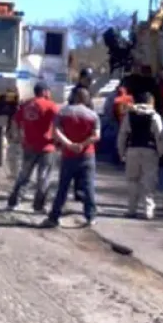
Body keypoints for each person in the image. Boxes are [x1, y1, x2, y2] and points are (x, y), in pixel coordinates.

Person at [41, 87, 100, 228]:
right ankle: (90, 217)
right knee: (88, 186)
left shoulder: (63, 112)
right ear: (86, 99)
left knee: (63, 187)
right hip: (87, 155)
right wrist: (82, 144)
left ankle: (54, 217)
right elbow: (96, 136)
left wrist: (69, 144)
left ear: (74, 97)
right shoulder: (93, 115)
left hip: (69, 155)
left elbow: (56, 132)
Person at [6, 82, 59, 213]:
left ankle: (13, 202)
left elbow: (15, 120)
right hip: (47, 147)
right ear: (45, 91)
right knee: (43, 177)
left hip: (29, 146)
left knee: (24, 175)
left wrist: (17, 136)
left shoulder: (26, 105)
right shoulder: (51, 106)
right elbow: (59, 124)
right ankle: (38, 206)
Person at [117, 91, 163, 219]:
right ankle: (148, 210)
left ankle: (131, 209)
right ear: (151, 102)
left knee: (132, 180)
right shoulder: (155, 116)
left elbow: (122, 135)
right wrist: (161, 152)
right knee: (149, 181)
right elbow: (159, 136)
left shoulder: (130, 115)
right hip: (149, 150)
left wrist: (121, 152)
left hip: (132, 149)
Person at [66, 67, 95, 201]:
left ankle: (79, 190)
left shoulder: (87, 91)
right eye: (87, 78)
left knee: (83, 164)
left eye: (90, 79)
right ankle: (76, 191)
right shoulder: (75, 92)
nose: (89, 81)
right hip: (76, 130)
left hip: (86, 129)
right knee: (76, 162)